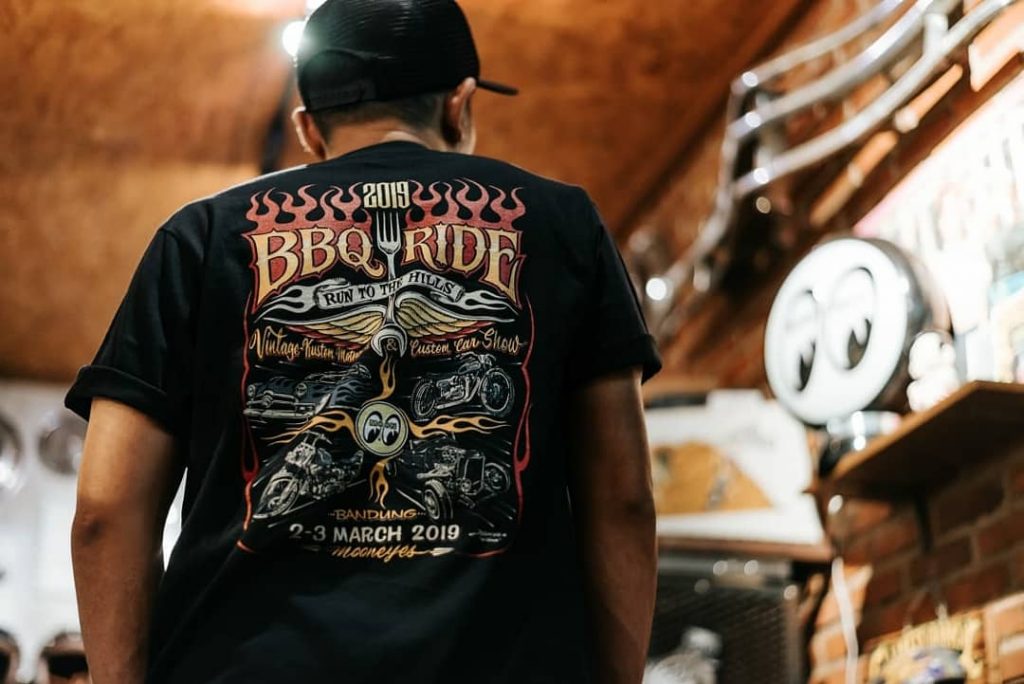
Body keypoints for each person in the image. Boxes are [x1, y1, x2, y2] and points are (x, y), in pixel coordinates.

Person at [66, 0, 661, 682]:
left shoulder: (197, 237)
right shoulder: (565, 224)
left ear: (308, 127)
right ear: (459, 106)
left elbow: (105, 511)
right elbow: (624, 499)